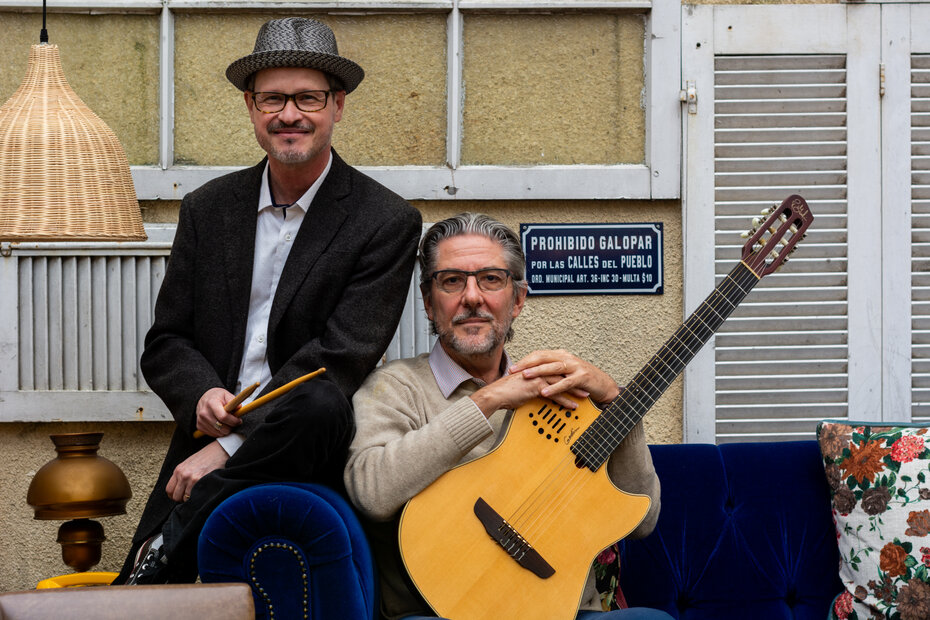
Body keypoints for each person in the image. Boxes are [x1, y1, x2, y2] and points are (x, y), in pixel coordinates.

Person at [116, 17, 422, 585]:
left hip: (304, 433)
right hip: (206, 427)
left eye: (307, 97)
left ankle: (171, 539)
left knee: (322, 401)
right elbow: (167, 341)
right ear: (252, 108)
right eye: (272, 98)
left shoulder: (386, 221)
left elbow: (343, 356)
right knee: (150, 600)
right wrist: (203, 393)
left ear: (338, 106)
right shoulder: (207, 208)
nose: (289, 114)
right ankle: (156, 564)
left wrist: (230, 446)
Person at [344, 213, 672, 620]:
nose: (472, 297)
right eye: (451, 281)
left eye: (491, 280)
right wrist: (488, 401)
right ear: (430, 303)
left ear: (517, 300)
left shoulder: (557, 390)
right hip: (441, 612)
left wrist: (616, 404)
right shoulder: (394, 386)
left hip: (560, 607)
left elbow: (642, 520)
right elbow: (372, 492)